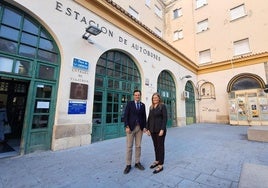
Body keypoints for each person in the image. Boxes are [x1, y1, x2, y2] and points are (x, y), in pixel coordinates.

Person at [123, 89, 147, 174]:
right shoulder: (130, 104)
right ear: (134, 96)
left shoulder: (143, 105)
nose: (137, 96)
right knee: (129, 147)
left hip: (139, 128)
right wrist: (126, 126)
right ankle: (128, 164)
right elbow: (125, 115)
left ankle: (137, 162)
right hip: (131, 128)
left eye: (138, 95)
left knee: (138, 146)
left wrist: (144, 127)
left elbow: (144, 117)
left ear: (140, 96)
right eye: (136, 95)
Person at [146, 92, 167, 174]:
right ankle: (157, 160)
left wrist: (162, 129)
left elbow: (165, 118)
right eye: (153, 98)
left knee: (160, 146)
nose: (155, 99)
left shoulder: (162, 106)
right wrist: (147, 129)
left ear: (159, 98)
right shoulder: (151, 107)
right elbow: (149, 118)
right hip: (153, 130)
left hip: (160, 130)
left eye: (156, 97)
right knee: (155, 146)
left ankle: (161, 165)